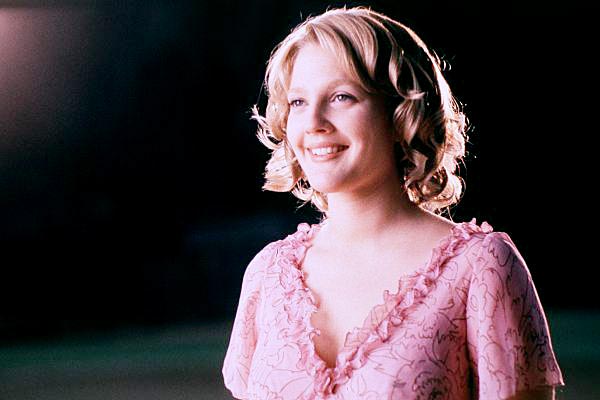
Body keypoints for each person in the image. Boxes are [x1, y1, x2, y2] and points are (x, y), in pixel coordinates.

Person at [222, 6, 564, 399]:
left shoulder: (481, 267)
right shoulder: (267, 274)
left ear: (401, 111)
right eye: (298, 101)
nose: (314, 121)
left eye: (341, 97)